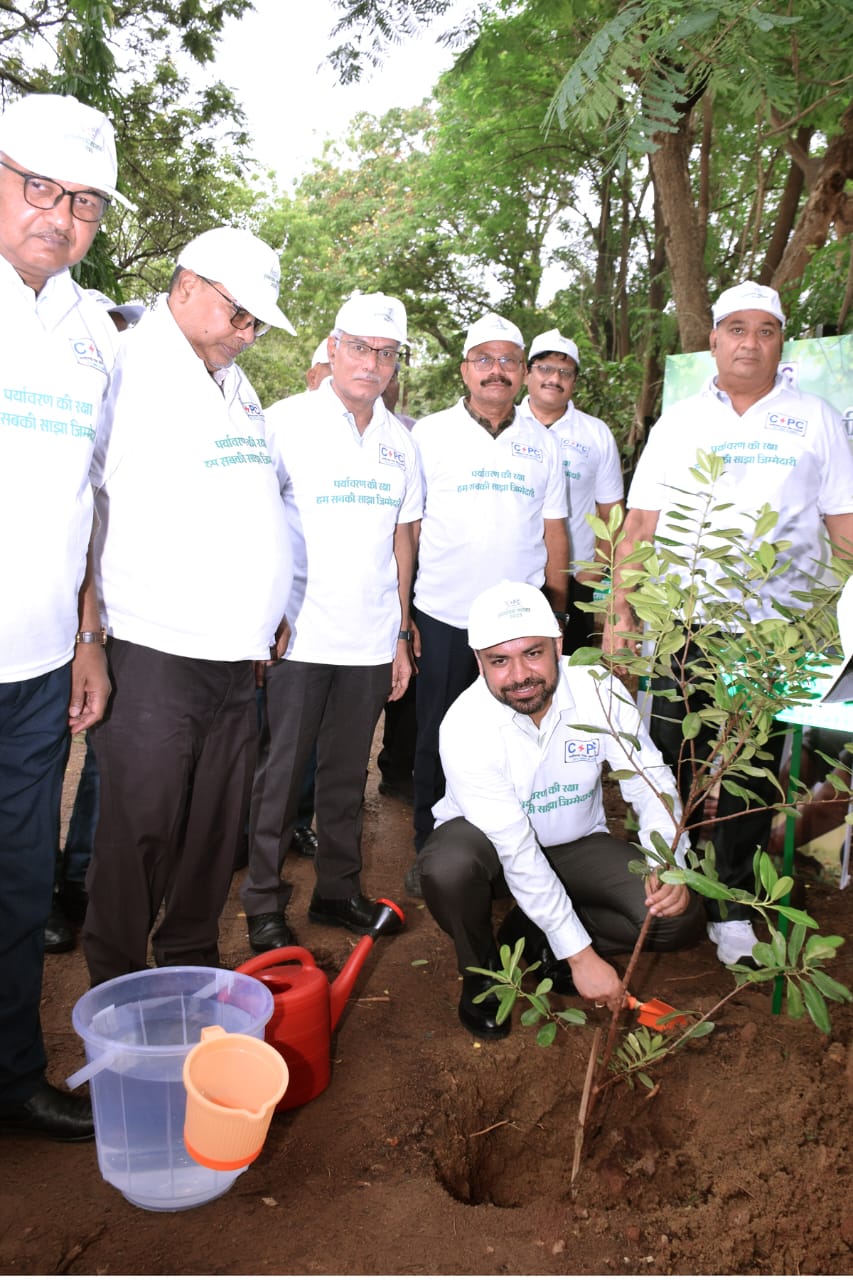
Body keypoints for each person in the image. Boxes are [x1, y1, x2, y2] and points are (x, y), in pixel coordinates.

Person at [605, 280, 853, 966]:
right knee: (672, 757)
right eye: (735, 328)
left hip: (778, 635)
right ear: (711, 340)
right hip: (686, 626)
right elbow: (642, 524)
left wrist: (828, 621)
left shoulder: (815, 419)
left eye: (764, 330)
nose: (749, 342)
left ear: (781, 341)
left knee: (747, 775)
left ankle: (729, 907)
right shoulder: (679, 421)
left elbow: (843, 530)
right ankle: (669, 882)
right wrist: (619, 613)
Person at [82, 226, 296, 986]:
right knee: (141, 828)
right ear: (184, 287)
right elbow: (86, 496)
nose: (248, 333)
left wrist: (270, 594)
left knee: (212, 831)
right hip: (158, 647)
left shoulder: (234, 381)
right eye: (239, 314)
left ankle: (190, 970)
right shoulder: (129, 365)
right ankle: (116, 983)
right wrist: (90, 634)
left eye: (256, 322)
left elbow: (254, 494)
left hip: (238, 655)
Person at [0, 92, 129, 1141]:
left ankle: (10, 1072)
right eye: (37, 184)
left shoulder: (98, 335)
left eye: (82, 199)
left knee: (17, 880)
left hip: (41, 662)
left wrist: (89, 633)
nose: (59, 214)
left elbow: (94, 493)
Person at [418, 580, 704, 1039]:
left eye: (532, 653)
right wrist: (581, 956)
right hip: (490, 852)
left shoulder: (597, 687)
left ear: (557, 644)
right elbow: (516, 850)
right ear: (479, 663)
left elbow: (648, 779)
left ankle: (531, 932)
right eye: (499, 661)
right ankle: (486, 976)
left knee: (677, 918)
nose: (519, 675)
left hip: (575, 843)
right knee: (448, 868)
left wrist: (666, 863)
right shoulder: (465, 726)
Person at [241, 292, 423, 951]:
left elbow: (404, 539)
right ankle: (262, 900)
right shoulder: (284, 423)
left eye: (385, 352)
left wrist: (401, 633)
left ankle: (337, 891)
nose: (371, 362)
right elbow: (252, 522)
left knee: (347, 777)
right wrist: (260, 618)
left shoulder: (401, 443)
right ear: (333, 346)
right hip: (297, 634)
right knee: (281, 773)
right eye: (359, 347)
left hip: (369, 638)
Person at [408, 313, 570, 888]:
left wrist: (558, 606)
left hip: (521, 625)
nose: (496, 371)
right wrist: (404, 615)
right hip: (446, 613)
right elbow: (408, 526)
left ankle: (514, 849)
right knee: (436, 735)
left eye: (508, 361)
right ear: (464, 370)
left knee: (520, 736)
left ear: (524, 373)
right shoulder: (427, 435)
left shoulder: (543, 443)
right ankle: (430, 850)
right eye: (484, 359)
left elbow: (554, 531)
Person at [45, 294, 145, 955]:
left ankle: (76, 879)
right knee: (42, 762)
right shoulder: (61, 411)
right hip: (55, 611)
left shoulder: (147, 417)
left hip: (123, 618)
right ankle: (42, 881)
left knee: (104, 757)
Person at [517, 329, 624, 653]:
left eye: (565, 372)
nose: (554, 378)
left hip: (576, 581)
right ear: (526, 374)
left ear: (574, 381)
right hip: (515, 574)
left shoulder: (595, 433)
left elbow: (612, 512)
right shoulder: (505, 426)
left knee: (568, 669)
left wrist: (592, 575)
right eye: (545, 369)